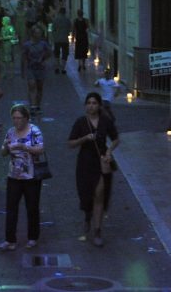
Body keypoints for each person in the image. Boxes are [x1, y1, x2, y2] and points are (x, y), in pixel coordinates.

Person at [68, 92, 119, 247]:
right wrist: (84, 138)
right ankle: (87, 215)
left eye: (94, 103)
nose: (91, 106)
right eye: (89, 103)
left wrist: (109, 151)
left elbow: (116, 138)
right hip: (85, 162)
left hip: (102, 161)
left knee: (99, 194)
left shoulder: (105, 121)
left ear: (99, 105)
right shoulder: (80, 122)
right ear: (85, 106)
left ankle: (97, 230)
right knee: (86, 194)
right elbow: (70, 143)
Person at [0, 104, 45, 251]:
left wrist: (25, 148)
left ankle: (32, 237)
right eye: (14, 118)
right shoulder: (10, 132)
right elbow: (3, 152)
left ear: (26, 118)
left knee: (32, 207)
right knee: (11, 208)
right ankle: (9, 239)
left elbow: (40, 149)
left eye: (19, 118)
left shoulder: (34, 131)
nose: (16, 121)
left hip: (31, 176)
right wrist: (6, 147)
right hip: (14, 176)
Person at [21, 24, 51, 116]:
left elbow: (49, 52)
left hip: (40, 68)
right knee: (32, 85)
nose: (39, 35)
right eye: (37, 33)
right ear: (33, 34)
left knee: (39, 87)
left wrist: (43, 59)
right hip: (31, 68)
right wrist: (23, 70)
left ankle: (38, 105)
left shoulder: (43, 44)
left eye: (40, 33)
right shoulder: (27, 45)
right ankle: (32, 106)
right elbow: (24, 58)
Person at [51, 7, 72, 74]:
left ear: (59, 12)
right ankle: (63, 68)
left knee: (57, 53)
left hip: (57, 39)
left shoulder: (55, 19)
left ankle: (57, 67)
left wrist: (53, 36)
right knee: (65, 54)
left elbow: (52, 29)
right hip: (65, 39)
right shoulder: (67, 20)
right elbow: (70, 29)